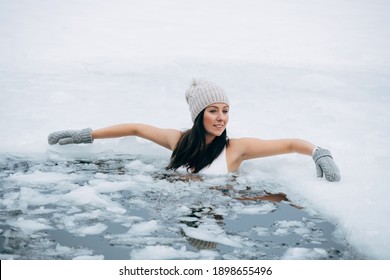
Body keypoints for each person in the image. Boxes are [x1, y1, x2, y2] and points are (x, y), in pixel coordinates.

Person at [48, 79, 340, 182]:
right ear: (199, 114)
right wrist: (86, 134)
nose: (220, 117)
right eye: (213, 110)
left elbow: (288, 144)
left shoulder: (235, 149)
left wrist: (318, 153)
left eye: (225, 110)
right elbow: (136, 127)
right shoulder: (179, 141)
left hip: (218, 203)